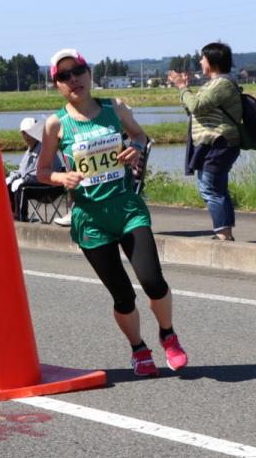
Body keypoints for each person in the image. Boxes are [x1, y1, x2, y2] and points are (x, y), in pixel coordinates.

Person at [37, 49, 187, 377]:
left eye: (77, 71)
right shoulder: (55, 124)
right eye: (63, 76)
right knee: (121, 295)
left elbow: (140, 136)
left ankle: (168, 334)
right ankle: (139, 349)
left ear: (89, 73)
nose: (73, 79)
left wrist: (136, 147)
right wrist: (63, 177)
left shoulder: (113, 107)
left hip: (126, 208)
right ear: (56, 84)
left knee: (152, 281)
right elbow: (42, 171)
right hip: (90, 218)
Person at [169, 42, 241, 241]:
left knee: (209, 187)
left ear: (213, 61)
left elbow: (197, 107)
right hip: (212, 143)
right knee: (216, 188)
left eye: (203, 58)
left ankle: (223, 233)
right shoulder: (211, 85)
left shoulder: (223, 83)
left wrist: (182, 87)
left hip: (219, 142)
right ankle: (225, 232)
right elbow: (192, 110)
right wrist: (186, 90)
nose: (200, 61)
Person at [6, 116, 64, 222]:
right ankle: (12, 215)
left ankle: (22, 219)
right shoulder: (29, 150)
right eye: (24, 133)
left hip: (49, 185)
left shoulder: (45, 147)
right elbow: (22, 170)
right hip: (36, 182)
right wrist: (12, 177)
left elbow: (43, 170)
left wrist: (24, 179)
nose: (26, 136)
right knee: (9, 185)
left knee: (22, 188)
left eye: (29, 133)